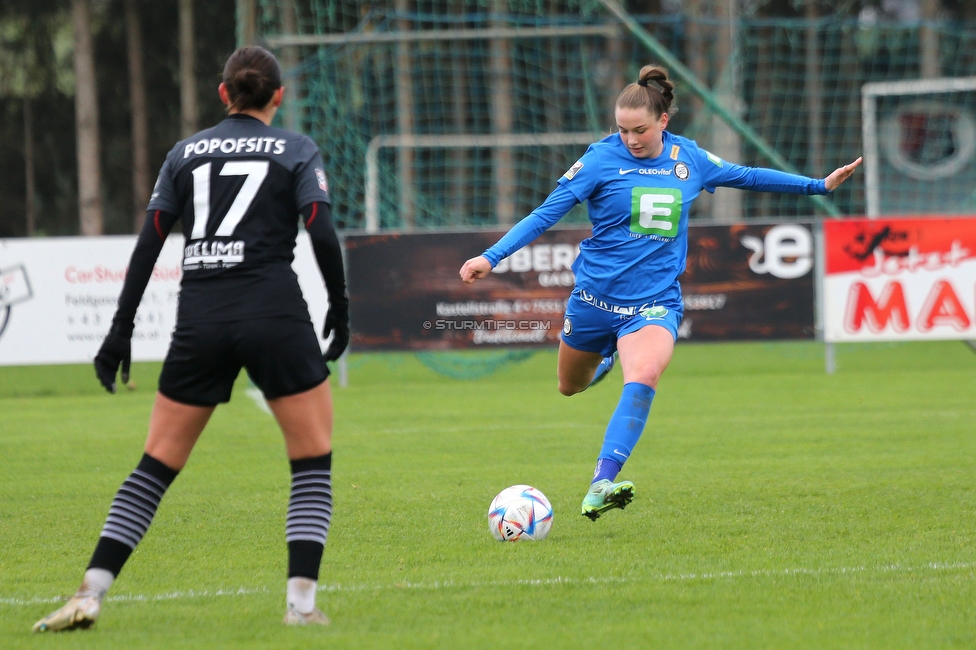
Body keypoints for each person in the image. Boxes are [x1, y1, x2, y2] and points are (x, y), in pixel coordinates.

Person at [33, 46, 348, 631]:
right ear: (277, 95)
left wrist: (119, 330)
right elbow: (321, 231)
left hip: (200, 318)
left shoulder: (185, 153)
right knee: (311, 462)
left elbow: (150, 243)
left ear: (223, 94)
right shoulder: (296, 149)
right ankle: (301, 608)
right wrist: (340, 305)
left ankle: (89, 593)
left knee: (154, 466)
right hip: (275, 315)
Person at [460, 64, 861, 522]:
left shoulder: (689, 160)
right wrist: (491, 257)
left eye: (640, 130)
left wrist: (818, 185)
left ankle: (600, 484)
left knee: (646, 374)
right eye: (623, 130)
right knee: (569, 387)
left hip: (652, 304)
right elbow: (544, 214)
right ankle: (606, 359)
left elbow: (746, 176)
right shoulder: (598, 160)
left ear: (663, 122)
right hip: (592, 302)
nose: (631, 139)